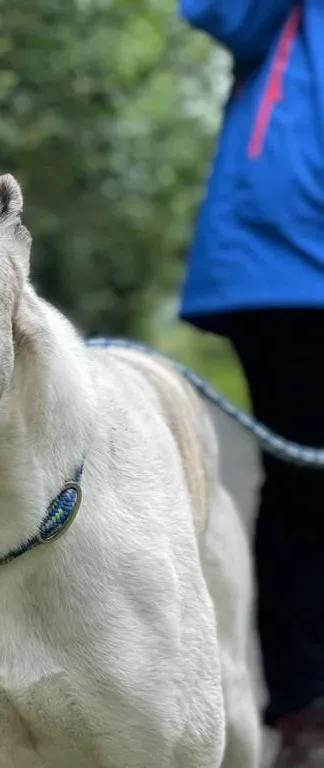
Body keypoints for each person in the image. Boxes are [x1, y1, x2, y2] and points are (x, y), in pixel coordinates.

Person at [178, 1, 324, 764]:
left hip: (280, 259)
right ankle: (306, 709)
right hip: (287, 262)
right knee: (305, 487)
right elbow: (217, 11)